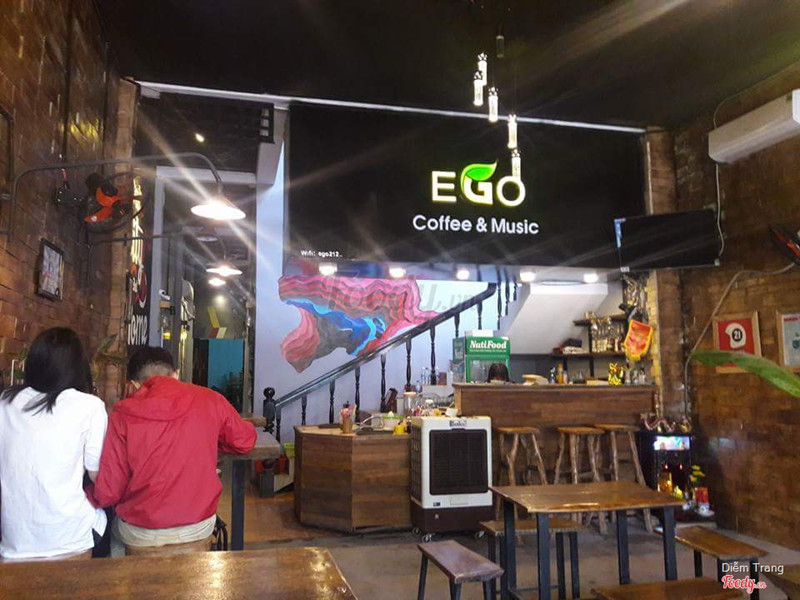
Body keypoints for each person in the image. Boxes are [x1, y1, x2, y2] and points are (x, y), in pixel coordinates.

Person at [90, 346, 256, 551]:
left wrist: (87, 493)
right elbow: (245, 440)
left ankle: (121, 572)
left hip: (141, 530)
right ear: (176, 374)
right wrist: (213, 438)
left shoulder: (121, 414)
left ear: (132, 384)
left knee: (112, 537)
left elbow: (110, 492)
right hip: (198, 525)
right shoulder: (210, 398)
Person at [0, 327, 108, 560]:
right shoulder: (89, 406)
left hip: (15, 541)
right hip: (69, 538)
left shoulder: (5, 402)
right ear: (78, 367)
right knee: (109, 518)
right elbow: (97, 475)